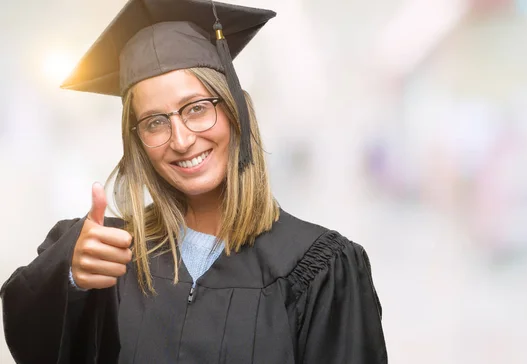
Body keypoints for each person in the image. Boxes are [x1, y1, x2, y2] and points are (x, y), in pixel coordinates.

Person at [0, 0, 387, 363]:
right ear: (137, 142)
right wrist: (71, 280)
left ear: (236, 111)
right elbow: (36, 345)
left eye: (197, 109)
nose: (181, 140)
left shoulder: (319, 268)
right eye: (155, 122)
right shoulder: (108, 255)